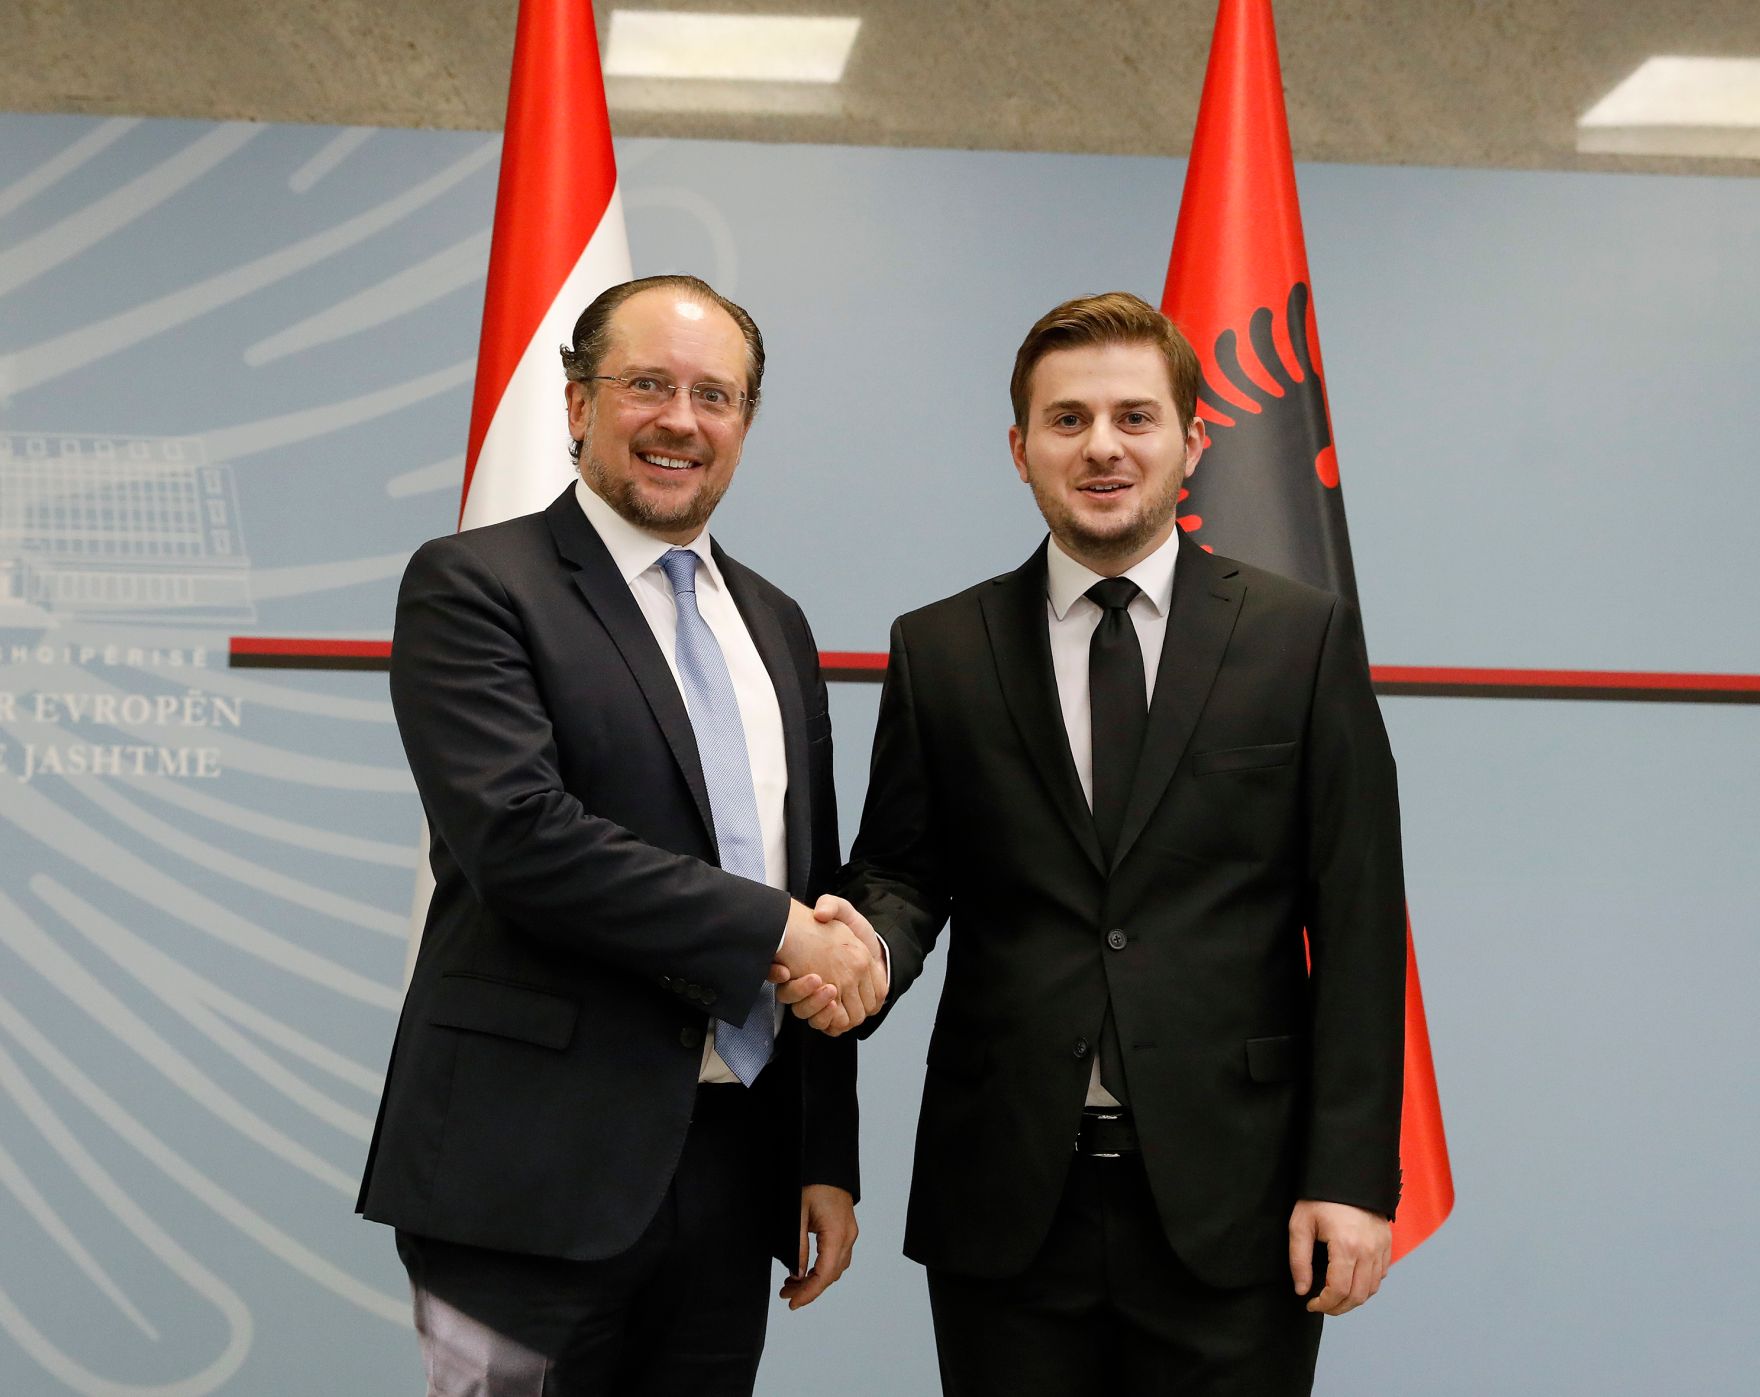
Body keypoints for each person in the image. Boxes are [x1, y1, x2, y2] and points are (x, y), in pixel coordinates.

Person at [813, 291, 1407, 1395]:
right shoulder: (940, 647)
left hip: (1238, 1200)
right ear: (1019, 448)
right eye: (1067, 418)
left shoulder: (1300, 637)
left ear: (1190, 439)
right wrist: (867, 953)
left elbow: (1362, 921)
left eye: (1134, 417)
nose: (1101, 446)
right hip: (1006, 1203)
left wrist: (1352, 1175)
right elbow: (901, 870)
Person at [358, 274, 886, 1397]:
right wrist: (782, 930)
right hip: (524, 1172)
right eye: (647, 384)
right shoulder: (473, 584)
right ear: (575, 403)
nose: (680, 420)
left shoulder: (776, 623)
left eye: (715, 394)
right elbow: (522, 837)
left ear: (743, 422)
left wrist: (819, 1155)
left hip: (731, 1170)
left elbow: (814, 880)